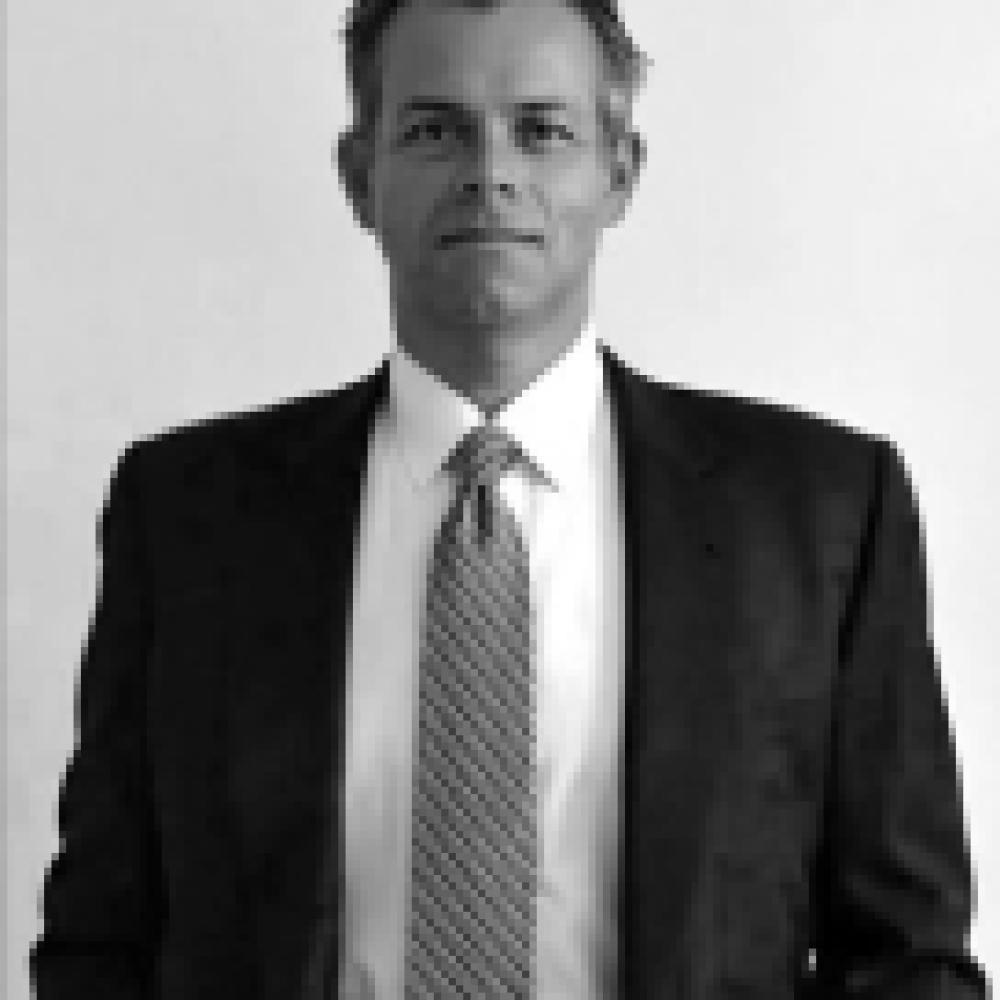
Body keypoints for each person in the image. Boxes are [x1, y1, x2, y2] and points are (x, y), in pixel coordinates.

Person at [30, 1, 990, 997]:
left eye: (541, 130)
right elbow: (101, 940)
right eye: (433, 130)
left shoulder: (818, 517)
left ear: (620, 171)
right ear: (360, 177)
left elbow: (908, 956)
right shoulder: (187, 519)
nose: (490, 173)